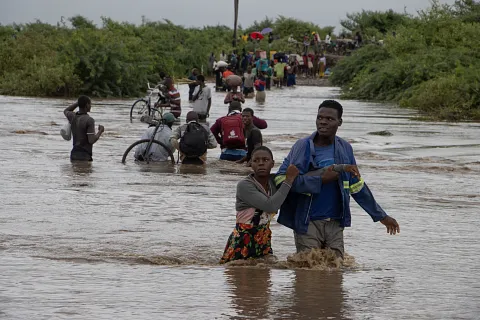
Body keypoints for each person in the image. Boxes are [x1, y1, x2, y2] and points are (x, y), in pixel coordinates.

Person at [275, 100, 400, 259]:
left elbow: (357, 187)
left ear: (339, 122)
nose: (323, 122)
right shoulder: (302, 147)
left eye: (329, 119)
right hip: (308, 221)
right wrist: (320, 180)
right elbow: (281, 180)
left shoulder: (345, 148)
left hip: (335, 222)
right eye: (320, 117)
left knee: (335, 274)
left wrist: (381, 216)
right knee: (307, 273)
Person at [220, 146, 300, 263]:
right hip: (242, 241)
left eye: (265, 160)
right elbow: (271, 206)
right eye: (256, 161)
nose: (261, 164)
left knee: (264, 278)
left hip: (264, 239)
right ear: (250, 164)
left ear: (272, 164)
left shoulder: (274, 182)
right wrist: (289, 180)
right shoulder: (244, 185)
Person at [63, 96, 104, 161]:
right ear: (87, 105)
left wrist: (78, 103)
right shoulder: (89, 120)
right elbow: (91, 140)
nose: (90, 106)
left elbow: (66, 110)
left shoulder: (73, 117)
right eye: (90, 104)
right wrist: (100, 131)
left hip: (74, 154)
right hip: (85, 155)